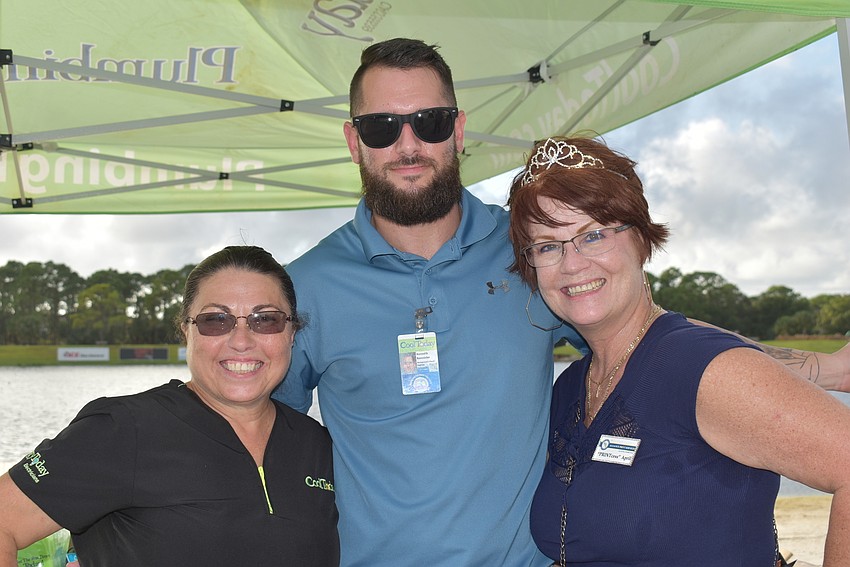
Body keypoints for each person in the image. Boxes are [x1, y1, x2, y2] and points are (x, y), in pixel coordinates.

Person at [273, 38, 850, 566]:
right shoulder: (305, 287)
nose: (408, 144)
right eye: (381, 127)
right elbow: (262, 431)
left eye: (430, 121)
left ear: (458, 130)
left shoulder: (530, 247)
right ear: (354, 140)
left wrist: (822, 368)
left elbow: (658, 344)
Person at [507, 136, 850, 566]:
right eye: (547, 245)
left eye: (593, 235)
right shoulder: (570, 389)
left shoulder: (706, 369)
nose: (572, 263)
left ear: (641, 240)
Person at [0, 246, 339, 566]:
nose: (241, 341)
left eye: (265, 320)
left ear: (292, 332)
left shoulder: (317, 444)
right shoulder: (121, 428)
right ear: (186, 331)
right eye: (215, 320)